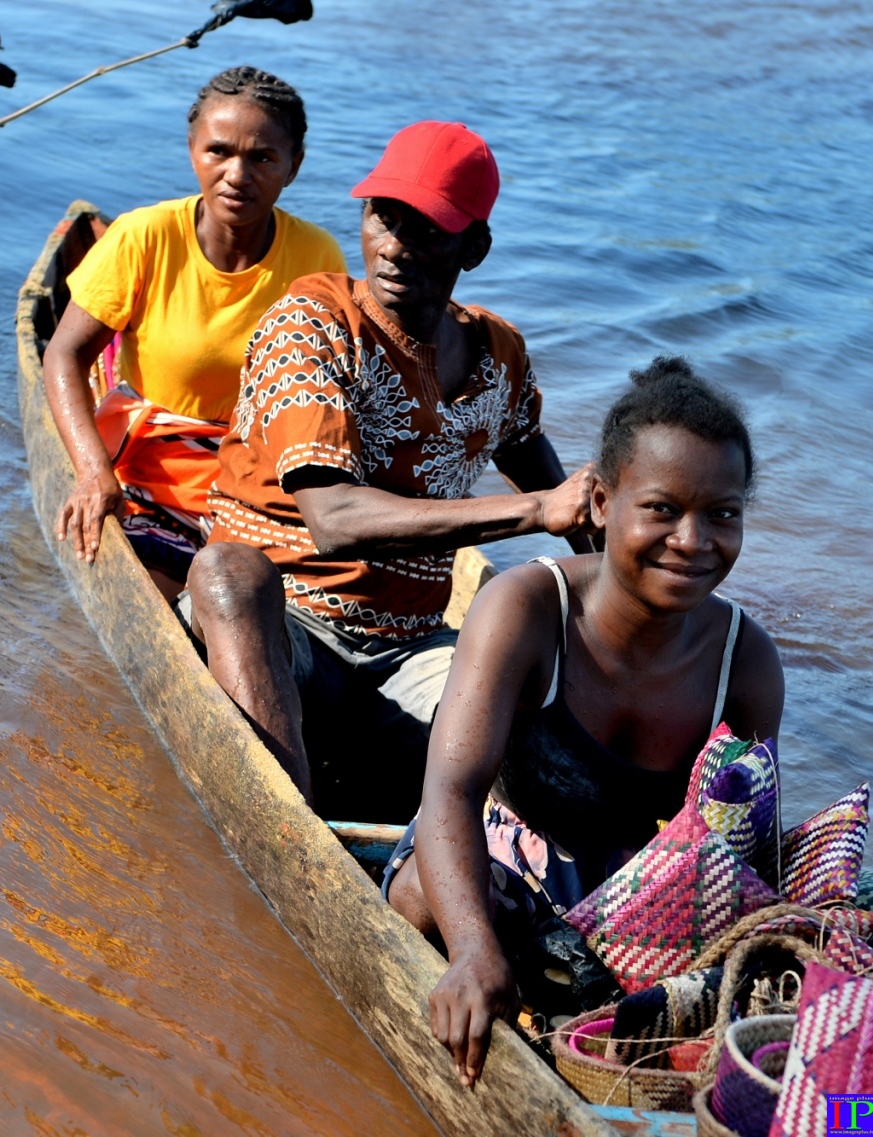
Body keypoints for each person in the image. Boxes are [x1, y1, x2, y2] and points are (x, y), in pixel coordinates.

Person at [384, 357, 786, 1088]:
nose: (694, 540)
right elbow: (448, 791)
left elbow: (748, 850)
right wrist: (474, 950)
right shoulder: (525, 609)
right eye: (662, 508)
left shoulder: (745, 660)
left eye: (721, 514)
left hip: (643, 899)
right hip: (499, 867)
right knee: (419, 897)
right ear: (601, 502)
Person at [182, 121, 596, 815]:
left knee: (539, 705)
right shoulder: (311, 324)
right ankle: (288, 827)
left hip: (408, 646)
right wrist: (535, 511)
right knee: (228, 572)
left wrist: (607, 558)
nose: (395, 247)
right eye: (383, 217)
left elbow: (533, 458)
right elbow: (336, 520)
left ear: (475, 247)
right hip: (284, 635)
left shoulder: (498, 352)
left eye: (426, 228)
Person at [43, 66, 346, 596]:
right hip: (149, 474)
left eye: (263, 157)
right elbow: (64, 356)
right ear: (192, 151)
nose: (237, 174)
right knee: (167, 598)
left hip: (257, 478)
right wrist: (94, 473)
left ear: (293, 167)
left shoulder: (316, 255)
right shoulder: (144, 236)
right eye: (219, 151)